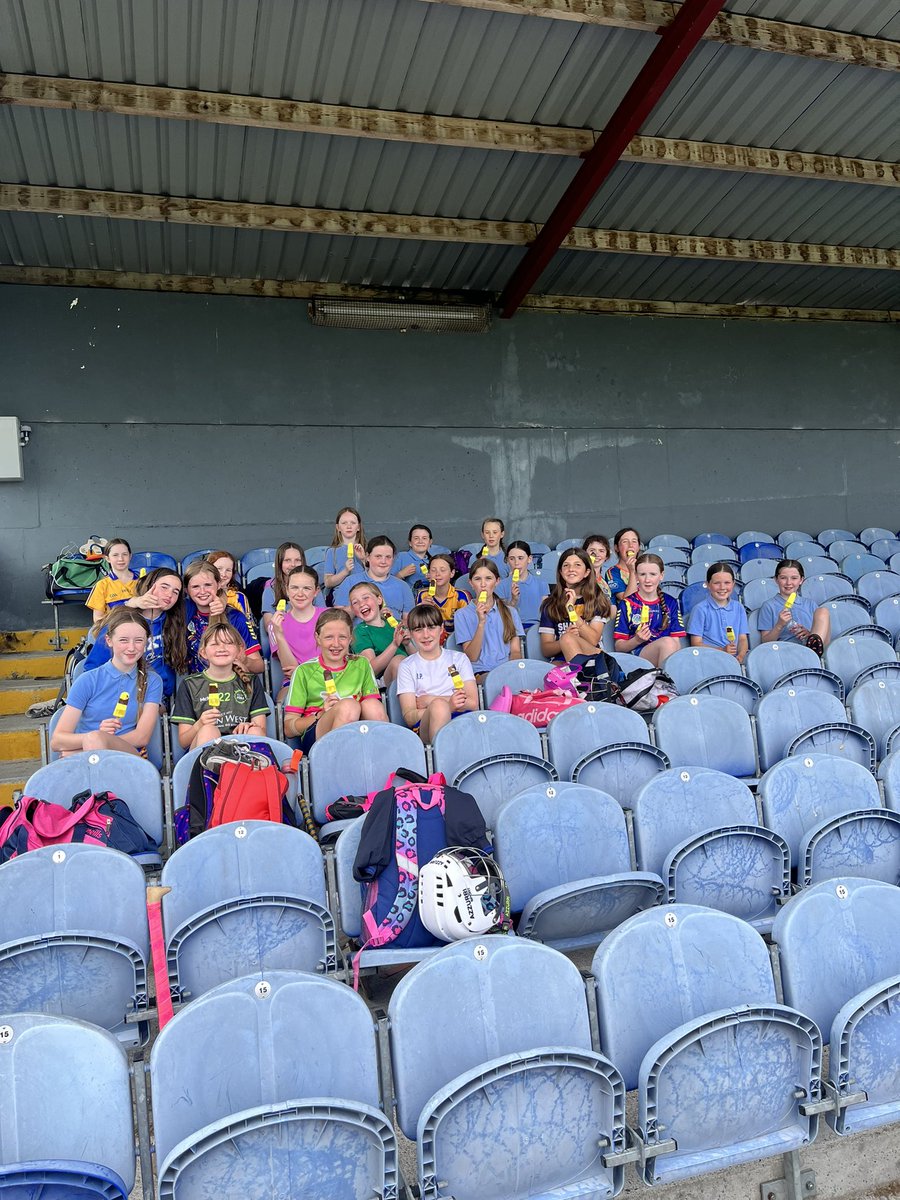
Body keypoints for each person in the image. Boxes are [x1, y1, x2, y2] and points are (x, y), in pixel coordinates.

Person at [50, 608, 162, 757]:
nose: (131, 647)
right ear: (109, 640)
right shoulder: (87, 680)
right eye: (123, 640)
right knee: (94, 739)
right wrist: (93, 740)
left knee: (94, 740)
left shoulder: (152, 681)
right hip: (85, 758)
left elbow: (141, 737)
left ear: (146, 642)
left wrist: (102, 741)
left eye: (139, 640)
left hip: (127, 757)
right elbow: (57, 740)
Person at [283, 609, 387, 751]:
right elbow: (289, 728)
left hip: (360, 730)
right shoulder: (304, 671)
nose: (336, 644)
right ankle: (333, 762)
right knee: (348, 707)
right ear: (317, 638)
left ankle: (382, 755)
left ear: (350, 639)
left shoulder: (362, 664)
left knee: (372, 705)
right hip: (318, 733)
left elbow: (372, 711)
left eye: (342, 637)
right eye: (329, 637)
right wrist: (321, 714)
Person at [83, 567, 188, 699]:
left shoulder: (176, 620)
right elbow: (93, 667)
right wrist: (131, 602)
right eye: (164, 587)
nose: (169, 595)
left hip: (157, 695)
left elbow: (203, 596)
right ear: (149, 585)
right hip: (116, 692)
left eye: (175, 592)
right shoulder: (122, 620)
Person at [171, 623, 269, 751]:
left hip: (240, 748)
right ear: (203, 652)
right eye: (214, 644)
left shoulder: (252, 681)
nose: (222, 648)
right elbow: (183, 742)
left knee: (255, 730)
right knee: (208, 730)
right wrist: (200, 724)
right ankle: (210, 770)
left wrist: (248, 726)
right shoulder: (189, 685)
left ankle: (252, 771)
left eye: (228, 643)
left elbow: (262, 731)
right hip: (202, 751)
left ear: (239, 650)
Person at [397, 604, 478, 741]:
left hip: (462, 720)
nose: (426, 635)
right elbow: (409, 717)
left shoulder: (459, 659)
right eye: (418, 630)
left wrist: (430, 700)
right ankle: (440, 759)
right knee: (439, 708)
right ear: (410, 634)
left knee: (439, 706)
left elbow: (473, 703)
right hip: (426, 726)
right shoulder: (407, 666)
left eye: (431, 627)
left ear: (441, 629)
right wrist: (446, 706)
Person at [183, 560, 263, 675]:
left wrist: (244, 660)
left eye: (208, 585)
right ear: (186, 590)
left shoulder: (236, 617)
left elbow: (259, 666)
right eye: (195, 586)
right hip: (197, 688)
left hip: (231, 686)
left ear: (219, 584)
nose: (202, 591)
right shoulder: (183, 613)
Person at [539, 549, 611, 662]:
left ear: (587, 572)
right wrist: (565, 639)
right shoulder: (550, 604)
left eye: (577, 565)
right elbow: (546, 650)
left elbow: (593, 640)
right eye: (566, 565)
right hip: (562, 660)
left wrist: (571, 609)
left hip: (593, 659)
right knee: (553, 670)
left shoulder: (597, 600)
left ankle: (579, 676)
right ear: (561, 572)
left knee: (568, 639)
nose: (571, 569)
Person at [454, 559, 523, 677]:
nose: (483, 584)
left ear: (497, 581)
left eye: (488, 578)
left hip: (507, 670)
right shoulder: (461, 615)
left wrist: (512, 672)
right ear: (471, 583)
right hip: (480, 673)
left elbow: (515, 651)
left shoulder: (510, 612)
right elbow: (472, 657)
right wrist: (481, 623)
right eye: (477, 579)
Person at [614, 552, 685, 665]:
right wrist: (637, 640)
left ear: (661, 575)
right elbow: (619, 647)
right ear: (636, 576)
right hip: (638, 656)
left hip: (668, 653)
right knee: (668, 642)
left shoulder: (670, 602)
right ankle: (664, 681)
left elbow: (676, 642)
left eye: (653, 574)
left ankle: (664, 680)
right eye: (642, 574)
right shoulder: (627, 604)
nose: (647, 579)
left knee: (671, 644)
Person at [268, 566, 326, 696]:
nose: (300, 594)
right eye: (294, 587)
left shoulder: (329, 617)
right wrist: (279, 634)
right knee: (287, 698)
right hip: (294, 682)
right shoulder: (275, 623)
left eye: (307, 588)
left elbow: (337, 659)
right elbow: (288, 669)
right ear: (287, 590)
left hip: (327, 677)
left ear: (316, 591)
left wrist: (304, 672)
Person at [758, 559, 830, 656]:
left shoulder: (810, 604)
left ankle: (813, 645)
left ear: (801, 580)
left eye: (794, 578)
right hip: (787, 652)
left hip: (812, 649)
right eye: (783, 578)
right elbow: (765, 642)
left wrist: (809, 634)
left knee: (823, 611)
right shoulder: (769, 606)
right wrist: (779, 625)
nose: (788, 583)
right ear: (776, 580)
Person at [332, 536, 415, 615]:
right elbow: (339, 618)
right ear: (368, 557)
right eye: (378, 556)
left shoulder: (403, 587)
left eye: (388, 557)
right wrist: (361, 606)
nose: (383, 561)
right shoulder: (350, 581)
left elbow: (408, 622)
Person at [688, 562, 750, 664]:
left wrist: (741, 656)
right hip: (710, 659)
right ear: (708, 585)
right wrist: (721, 650)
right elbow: (696, 643)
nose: (722, 587)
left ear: (733, 584)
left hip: (735, 660)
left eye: (727, 583)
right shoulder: (700, 609)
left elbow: (742, 639)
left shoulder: (739, 607)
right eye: (717, 583)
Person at [349, 581, 410, 685]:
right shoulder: (359, 632)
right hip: (384, 681)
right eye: (355, 602)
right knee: (398, 661)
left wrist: (408, 643)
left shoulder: (396, 624)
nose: (361, 604)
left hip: (413, 673)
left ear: (379, 600)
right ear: (353, 610)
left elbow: (419, 655)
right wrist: (394, 644)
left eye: (365, 598)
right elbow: (371, 669)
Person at [495, 541, 550, 630]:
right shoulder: (500, 585)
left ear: (529, 559)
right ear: (507, 560)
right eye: (512, 559)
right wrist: (513, 600)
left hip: (536, 628)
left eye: (521, 558)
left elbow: (545, 613)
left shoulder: (541, 584)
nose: (516, 563)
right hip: (511, 627)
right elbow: (501, 616)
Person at [414, 553, 469, 636]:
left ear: (452, 573)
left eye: (442, 570)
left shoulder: (461, 596)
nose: (437, 574)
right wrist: (421, 608)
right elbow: (415, 625)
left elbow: (467, 627)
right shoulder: (422, 595)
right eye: (433, 570)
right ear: (428, 573)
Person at [85, 538, 138, 624]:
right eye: (115, 555)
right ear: (107, 558)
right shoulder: (102, 585)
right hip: (113, 630)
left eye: (124, 554)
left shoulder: (142, 581)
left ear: (130, 556)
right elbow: (98, 619)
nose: (121, 559)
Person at [261, 543, 306, 636]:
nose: (293, 564)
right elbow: (268, 626)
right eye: (287, 560)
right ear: (280, 563)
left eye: (297, 560)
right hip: (284, 638)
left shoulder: (312, 586)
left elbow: (324, 617)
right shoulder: (270, 589)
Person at [323, 507, 367, 590]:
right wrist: (345, 571)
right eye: (344, 523)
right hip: (342, 595)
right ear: (338, 527)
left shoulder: (367, 549)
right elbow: (327, 583)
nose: (349, 526)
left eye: (353, 523)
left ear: (358, 527)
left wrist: (363, 560)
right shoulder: (332, 552)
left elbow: (375, 576)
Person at [206, 549, 254, 624]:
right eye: (219, 569)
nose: (223, 574)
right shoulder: (202, 596)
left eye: (228, 570)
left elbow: (249, 626)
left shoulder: (239, 597)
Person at [606, 527, 641, 602]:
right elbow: (627, 600)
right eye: (625, 541)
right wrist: (632, 572)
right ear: (616, 548)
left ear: (638, 547)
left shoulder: (645, 568)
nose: (630, 545)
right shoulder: (612, 572)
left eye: (634, 541)